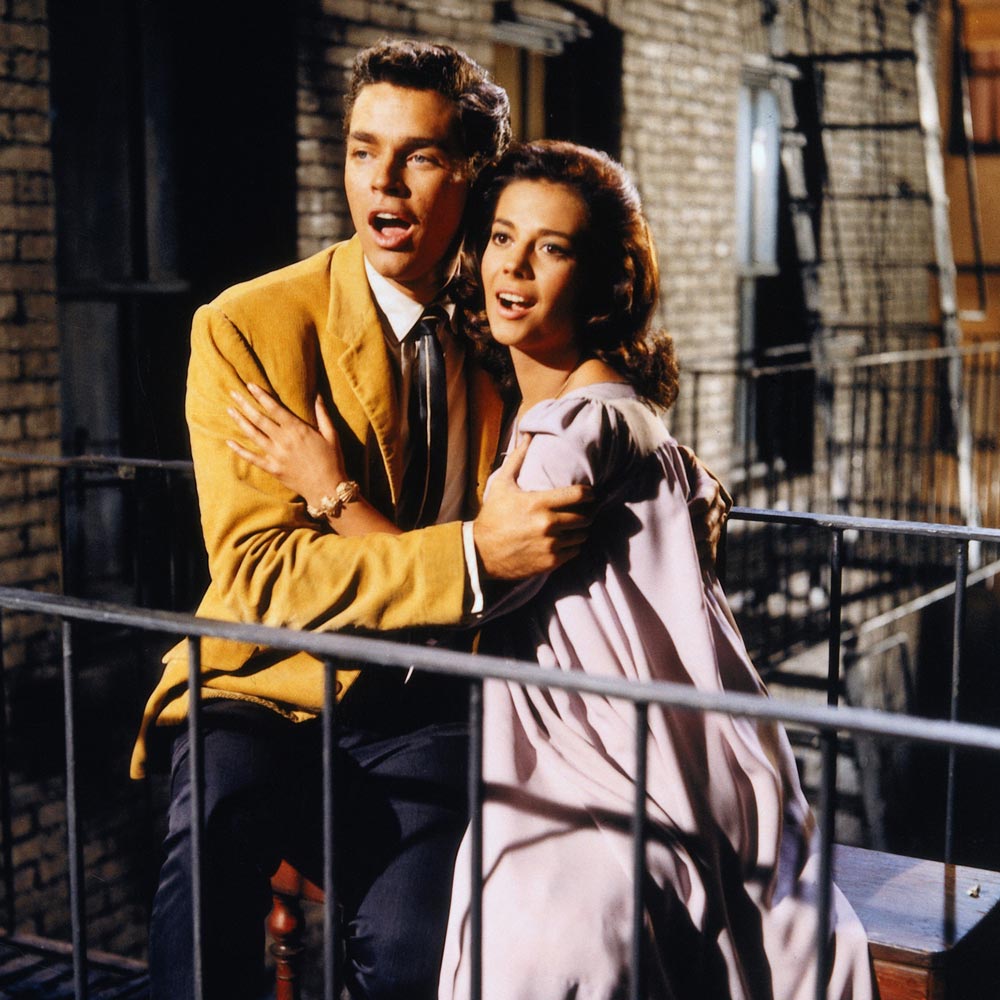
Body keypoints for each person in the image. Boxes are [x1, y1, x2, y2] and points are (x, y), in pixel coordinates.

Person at [133, 39, 729, 1000]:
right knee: (208, 852)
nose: (384, 183)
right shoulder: (250, 324)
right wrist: (471, 556)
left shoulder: (498, 310)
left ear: (473, 176)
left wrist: (669, 468)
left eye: (418, 156)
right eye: (363, 150)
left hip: (428, 701)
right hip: (272, 678)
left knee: (419, 946)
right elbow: (265, 575)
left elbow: (588, 392)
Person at [233, 140, 874, 1000]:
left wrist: (328, 486)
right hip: (691, 732)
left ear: (605, 282)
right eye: (503, 237)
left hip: (605, 736)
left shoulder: (564, 436)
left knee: (525, 929)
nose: (515, 266)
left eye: (553, 248)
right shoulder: (608, 405)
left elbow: (455, 603)